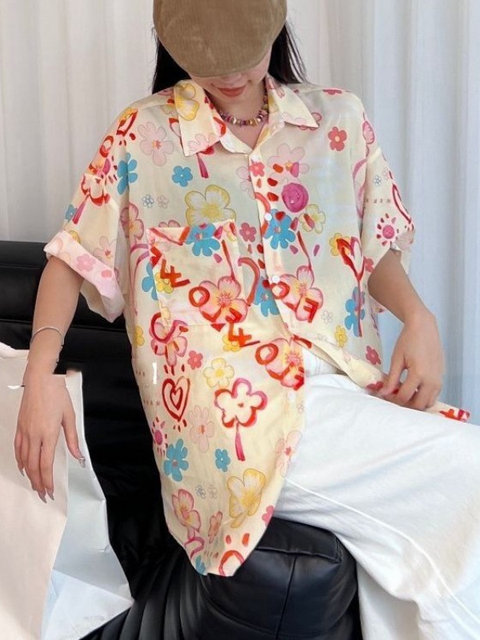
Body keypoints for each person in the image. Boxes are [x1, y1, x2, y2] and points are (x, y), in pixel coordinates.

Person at [14, 0, 480, 637]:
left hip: (344, 382)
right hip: (229, 418)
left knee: (403, 560)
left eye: (245, 54)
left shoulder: (338, 120)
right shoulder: (141, 134)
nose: (230, 75)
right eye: (209, 61)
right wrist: (39, 376)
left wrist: (419, 317)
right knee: (468, 465)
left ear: (275, 28)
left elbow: (372, 249)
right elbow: (70, 259)